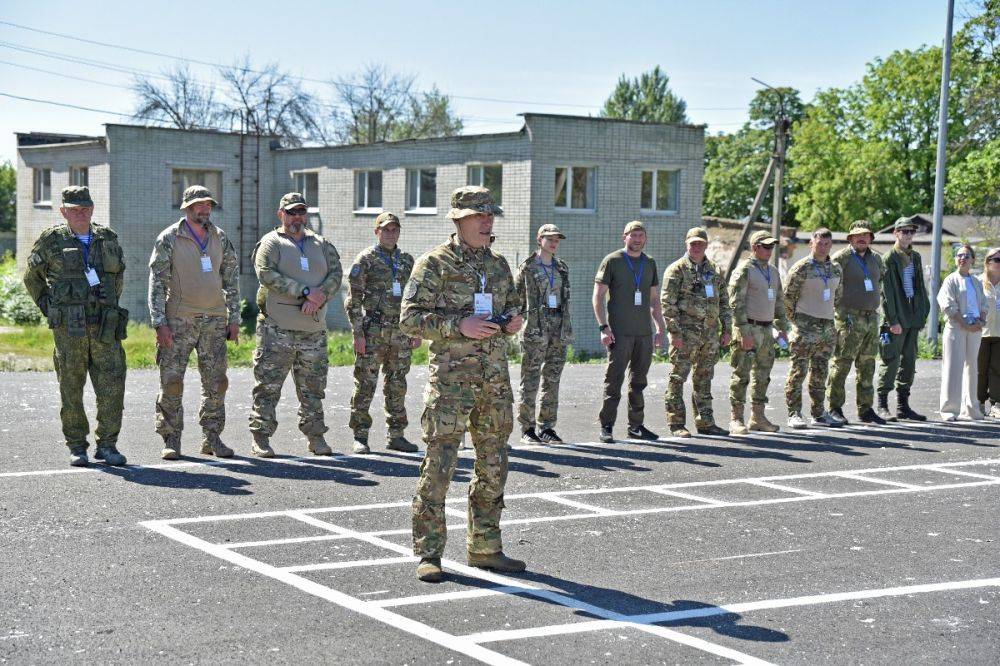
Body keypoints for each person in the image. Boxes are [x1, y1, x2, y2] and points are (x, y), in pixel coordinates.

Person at [400, 186, 525, 583]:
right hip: (452, 382)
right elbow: (409, 319)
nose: (487, 222)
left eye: (490, 216)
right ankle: (429, 553)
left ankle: (485, 547)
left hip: (494, 382)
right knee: (439, 467)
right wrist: (458, 326)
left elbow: (513, 305)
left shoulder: (500, 265)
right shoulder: (434, 263)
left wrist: (511, 321)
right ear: (458, 220)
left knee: (493, 465)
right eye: (478, 216)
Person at [23, 186, 128, 467]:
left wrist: (110, 305)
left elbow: (119, 278)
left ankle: (107, 445)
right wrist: (50, 308)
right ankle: (77, 446)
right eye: (74, 209)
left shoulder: (108, 238)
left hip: (104, 327)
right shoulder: (51, 241)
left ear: (92, 209)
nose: (80, 213)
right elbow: (32, 277)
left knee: (112, 386)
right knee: (71, 387)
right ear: (63, 211)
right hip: (69, 330)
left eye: (85, 208)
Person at [148, 185, 240, 460]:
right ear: (187, 208)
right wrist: (159, 322)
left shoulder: (220, 237)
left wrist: (233, 318)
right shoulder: (170, 238)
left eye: (208, 205)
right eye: (199, 205)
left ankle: (212, 438)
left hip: (214, 321)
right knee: (172, 381)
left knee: (216, 382)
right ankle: (171, 440)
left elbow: (231, 279)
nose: (205, 209)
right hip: (179, 321)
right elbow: (157, 281)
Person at [248, 193, 342, 457]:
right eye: (291, 212)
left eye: (301, 212)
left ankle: (316, 438)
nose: (296, 217)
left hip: (313, 330)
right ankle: (261, 438)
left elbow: (336, 274)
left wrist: (321, 294)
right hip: (277, 330)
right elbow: (265, 273)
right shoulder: (271, 243)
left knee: (313, 389)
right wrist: (304, 291)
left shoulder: (321, 244)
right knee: (268, 386)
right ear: (281, 214)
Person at [345, 212, 420, 454]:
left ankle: (396, 435)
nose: (390, 233)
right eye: (385, 229)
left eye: (394, 229)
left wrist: (415, 329)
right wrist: (357, 333)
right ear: (376, 232)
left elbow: (414, 299)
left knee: (397, 384)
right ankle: (360, 435)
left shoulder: (408, 260)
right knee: (366, 383)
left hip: (400, 331)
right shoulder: (366, 259)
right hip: (373, 330)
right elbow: (353, 299)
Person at [593, 221, 666, 443]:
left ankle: (636, 426)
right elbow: (598, 297)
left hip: (643, 334)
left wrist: (660, 328)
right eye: (633, 235)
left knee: (639, 382)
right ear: (624, 237)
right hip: (619, 333)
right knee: (614, 381)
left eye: (641, 235)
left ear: (646, 238)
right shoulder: (612, 261)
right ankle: (606, 426)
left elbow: (654, 299)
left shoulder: (650, 263)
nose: (637, 239)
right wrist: (603, 327)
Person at [661, 227, 731, 437]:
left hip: (709, 336)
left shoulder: (715, 271)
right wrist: (674, 333)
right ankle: (676, 423)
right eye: (693, 243)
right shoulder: (676, 269)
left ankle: (705, 422)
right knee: (678, 377)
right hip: (685, 334)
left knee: (704, 378)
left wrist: (727, 329)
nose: (697, 246)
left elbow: (725, 303)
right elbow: (667, 304)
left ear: (706, 245)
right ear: (686, 244)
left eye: (700, 243)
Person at [516, 224, 573, 444]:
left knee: (552, 379)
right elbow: (517, 299)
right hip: (535, 330)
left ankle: (547, 426)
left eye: (557, 239)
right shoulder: (528, 268)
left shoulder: (561, 268)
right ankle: (527, 428)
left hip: (558, 329)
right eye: (550, 239)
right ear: (539, 239)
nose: (554, 242)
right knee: (530, 379)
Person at [727, 230, 788, 435]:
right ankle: (736, 418)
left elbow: (779, 301)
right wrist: (744, 331)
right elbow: (736, 303)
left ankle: (758, 417)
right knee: (741, 374)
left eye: (772, 247)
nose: (770, 250)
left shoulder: (773, 271)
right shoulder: (744, 270)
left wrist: (782, 328)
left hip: (767, 329)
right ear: (755, 247)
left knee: (763, 375)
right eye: (766, 246)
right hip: (749, 328)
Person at [826, 221, 886, 425]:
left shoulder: (877, 258)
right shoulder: (840, 259)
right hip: (848, 319)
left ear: (871, 238)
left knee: (868, 364)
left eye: (866, 235)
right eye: (857, 235)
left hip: (871, 318)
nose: (862, 238)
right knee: (842, 364)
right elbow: (829, 286)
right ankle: (834, 408)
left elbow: (880, 283)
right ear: (850, 238)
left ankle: (866, 409)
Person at [784, 227, 843, 429]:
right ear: (812, 244)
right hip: (805, 327)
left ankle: (818, 413)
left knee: (820, 372)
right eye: (819, 243)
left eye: (827, 244)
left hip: (827, 328)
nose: (823, 247)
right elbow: (787, 299)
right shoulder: (801, 268)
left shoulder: (836, 269)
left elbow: (837, 297)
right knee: (798, 372)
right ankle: (794, 413)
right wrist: (798, 323)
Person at [876, 218, 930, 421]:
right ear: (895, 233)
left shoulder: (915, 257)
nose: (908, 234)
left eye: (911, 231)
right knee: (890, 360)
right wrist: (893, 321)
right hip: (896, 318)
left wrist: (923, 312)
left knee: (909, 361)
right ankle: (882, 405)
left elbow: (920, 289)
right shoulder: (889, 258)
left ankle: (902, 406)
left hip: (912, 317)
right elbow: (886, 293)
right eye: (904, 231)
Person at [938, 244, 988, 421]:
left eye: (967, 256)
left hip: (975, 329)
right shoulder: (951, 280)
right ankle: (949, 410)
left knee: (972, 367)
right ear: (955, 259)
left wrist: (981, 320)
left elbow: (984, 303)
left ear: (973, 260)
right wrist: (965, 323)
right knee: (953, 368)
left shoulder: (976, 281)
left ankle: (972, 409)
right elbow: (947, 305)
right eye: (959, 255)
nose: (963, 258)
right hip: (956, 328)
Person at [978, 247, 1000, 418]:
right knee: (980, 370)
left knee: (997, 370)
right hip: (981, 333)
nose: (999, 263)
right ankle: (978, 403)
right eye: (997, 260)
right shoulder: (978, 282)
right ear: (988, 262)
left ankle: (996, 404)